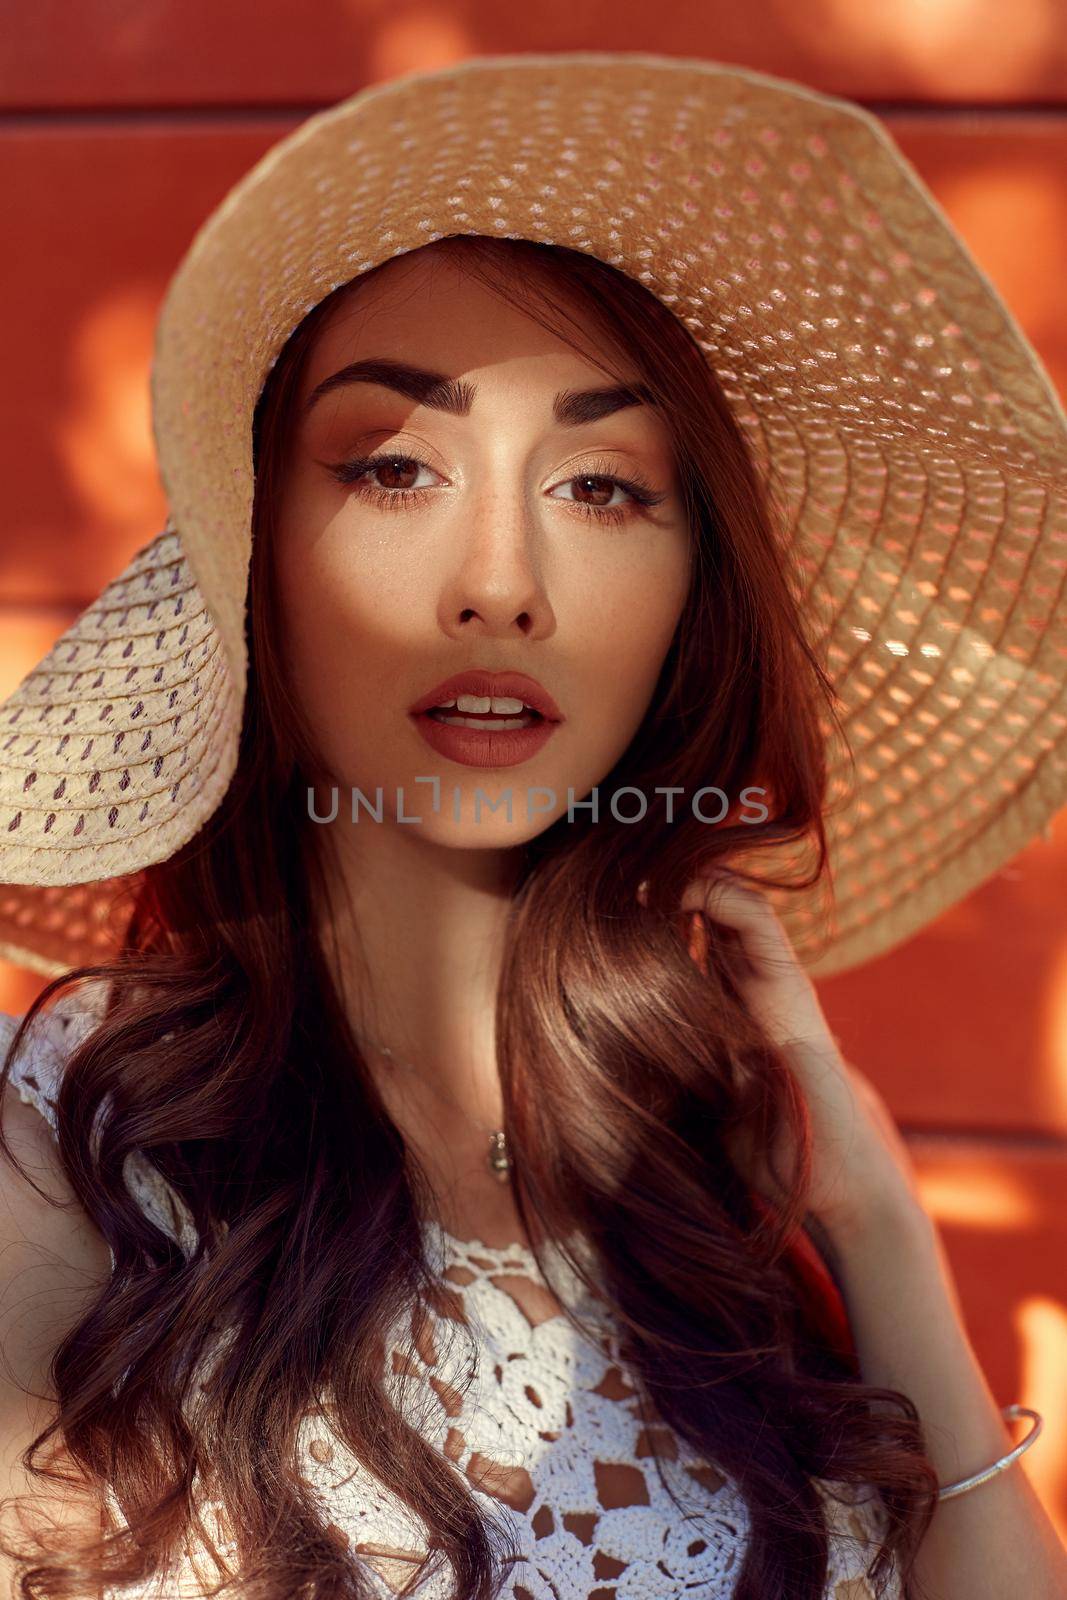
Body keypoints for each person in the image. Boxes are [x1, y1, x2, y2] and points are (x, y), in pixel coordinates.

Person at [1, 53, 1066, 1600]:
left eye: (604, 486)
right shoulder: (88, 1134)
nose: (499, 579)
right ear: (258, 560)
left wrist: (879, 1226)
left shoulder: (710, 1163)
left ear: (692, 598)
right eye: (392, 467)